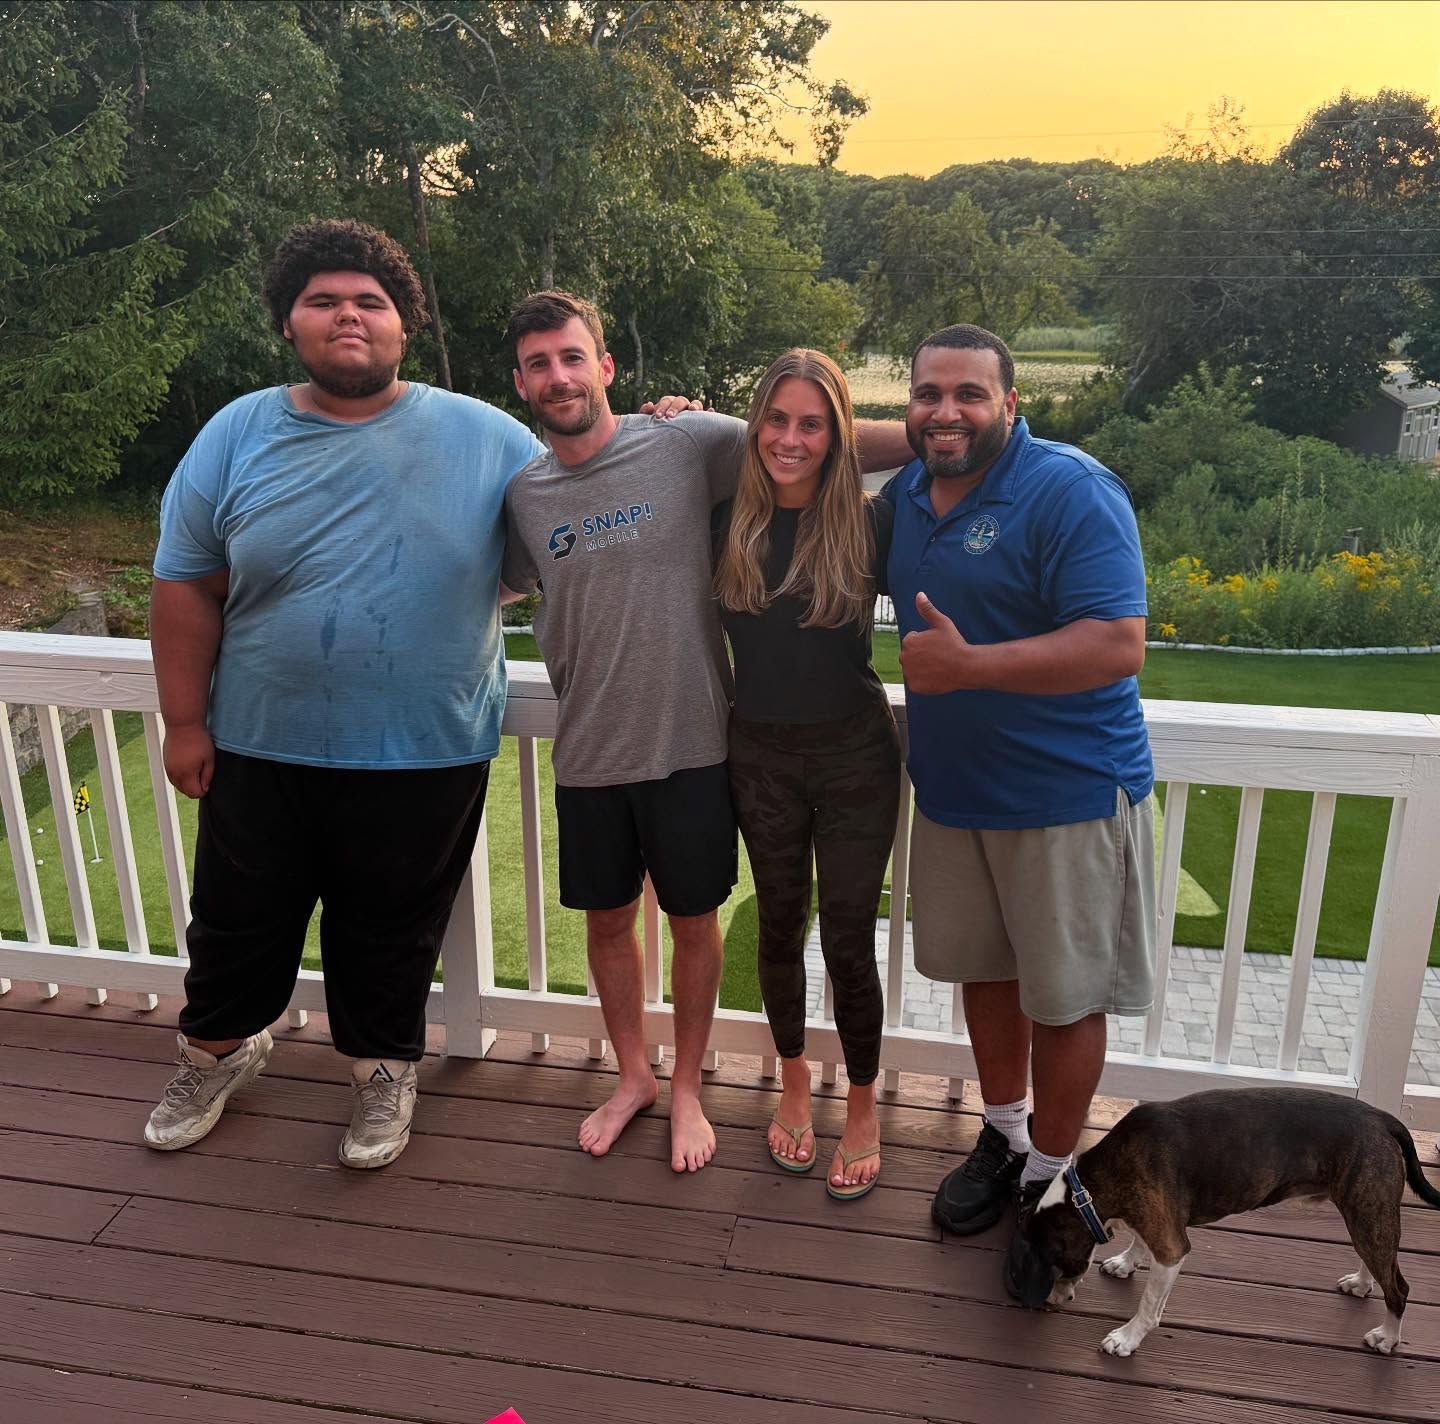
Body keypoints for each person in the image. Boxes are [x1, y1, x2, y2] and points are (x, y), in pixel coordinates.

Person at [143, 219, 544, 1169]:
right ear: (290, 323)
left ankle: (380, 1072)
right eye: (324, 301)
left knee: (392, 930)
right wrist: (185, 721)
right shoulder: (237, 431)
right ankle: (217, 1051)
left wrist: (667, 429)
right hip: (257, 740)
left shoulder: (490, 437)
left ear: (404, 322)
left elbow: (567, 528)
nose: (349, 316)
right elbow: (185, 584)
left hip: (425, 746)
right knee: (237, 923)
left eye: (371, 301)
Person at [501, 292, 911, 1173]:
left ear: (605, 366)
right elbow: (483, 582)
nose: (558, 376)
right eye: (539, 363)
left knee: (706, 924)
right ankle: (633, 1079)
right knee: (611, 924)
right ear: (522, 381)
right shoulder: (524, 496)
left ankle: (688, 1087)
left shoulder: (685, 444)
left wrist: (940, 430)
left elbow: (811, 432)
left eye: (572, 357)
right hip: (592, 748)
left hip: (696, 743)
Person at [880, 323, 1155, 1292]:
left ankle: (1051, 1173)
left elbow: (1119, 642)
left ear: (1010, 400)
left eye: (968, 394)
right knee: (986, 975)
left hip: (1066, 798)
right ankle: (1002, 1136)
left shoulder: (1070, 488)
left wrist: (968, 667)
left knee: (1065, 994)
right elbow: (834, 441)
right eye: (927, 394)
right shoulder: (908, 496)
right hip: (958, 797)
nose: (945, 411)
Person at [715, 349, 899, 1200]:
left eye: (812, 423)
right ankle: (793, 1083)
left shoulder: (872, 523)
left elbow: (944, 451)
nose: (790, 439)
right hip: (760, 755)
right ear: (755, 426)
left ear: (838, 436)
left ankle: (862, 1104)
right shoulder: (723, 519)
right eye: (776, 420)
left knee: (851, 937)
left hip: (858, 754)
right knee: (778, 925)